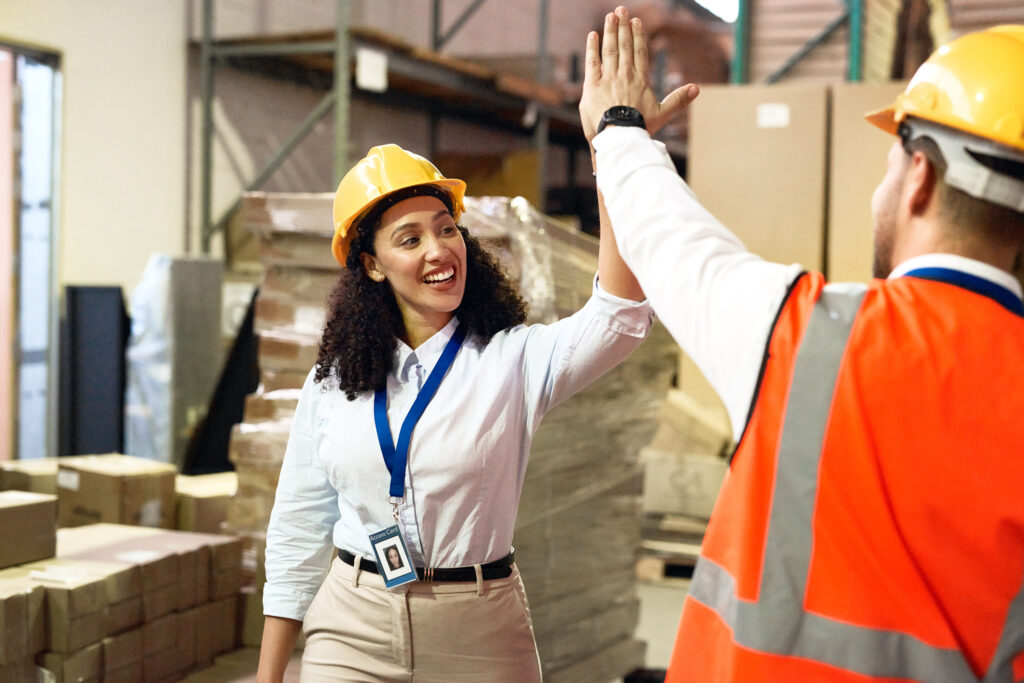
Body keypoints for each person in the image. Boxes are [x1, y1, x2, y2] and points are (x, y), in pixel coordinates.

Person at [580, 7, 1024, 681]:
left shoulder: (805, 337)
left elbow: (672, 241)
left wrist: (617, 129)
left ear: (922, 179)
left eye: (888, 165)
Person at [256, 142, 654, 682]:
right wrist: (269, 675)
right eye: (410, 239)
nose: (439, 250)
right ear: (372, 265)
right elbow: (298, 528)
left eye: (447, 229)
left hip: (479, 633)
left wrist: (616, 150)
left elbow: (620, 316)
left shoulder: (513, 360)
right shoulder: (333, 381)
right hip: (352, 626)